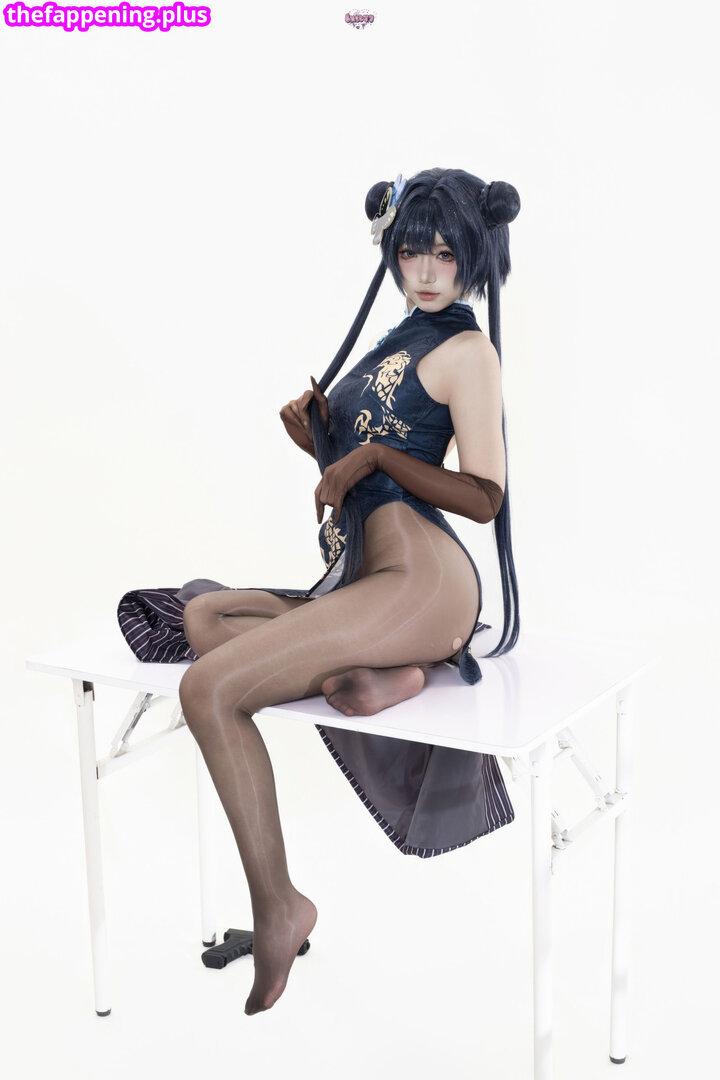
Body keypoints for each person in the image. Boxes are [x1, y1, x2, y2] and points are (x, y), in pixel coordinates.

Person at [177, 167, 521, 1016]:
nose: (427, 271)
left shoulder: (469, 353)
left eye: (446, 254)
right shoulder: (396, 336)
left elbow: (484, 497)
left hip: (425, 578)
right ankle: (393, 672)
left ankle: (279, 907)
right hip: (366, 572)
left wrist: (371, 456)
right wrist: (317, 441)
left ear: (475, 256)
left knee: (208, 689)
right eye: (412, 251)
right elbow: (358, 475)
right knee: (205, 616)